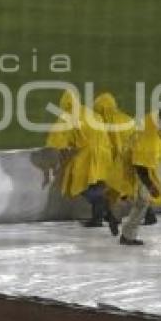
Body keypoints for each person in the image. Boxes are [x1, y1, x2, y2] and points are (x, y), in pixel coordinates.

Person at [46, 90, 115, 229]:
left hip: (86, 155)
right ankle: (103, 216)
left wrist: (60, 163)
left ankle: (99, 209)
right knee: (98, 184)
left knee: (80, 184)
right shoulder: (91, 113)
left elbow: (59, 143)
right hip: (104, 153)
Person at [119, 110, 161, 246]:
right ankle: (127, 235)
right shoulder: (150, 142)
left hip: (145, 164)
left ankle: (128, 229)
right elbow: (140, 167)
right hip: (133, 167)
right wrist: (150, 186)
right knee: (142, 200)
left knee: (142, 200)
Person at [92, 92, 136, 235]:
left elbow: (109, 147)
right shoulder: (129, 119)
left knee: (113, 194)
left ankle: (112, 218)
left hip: (117, 165)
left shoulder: (103, 125)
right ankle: (147, 216)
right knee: (135, 192)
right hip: (134, 161)